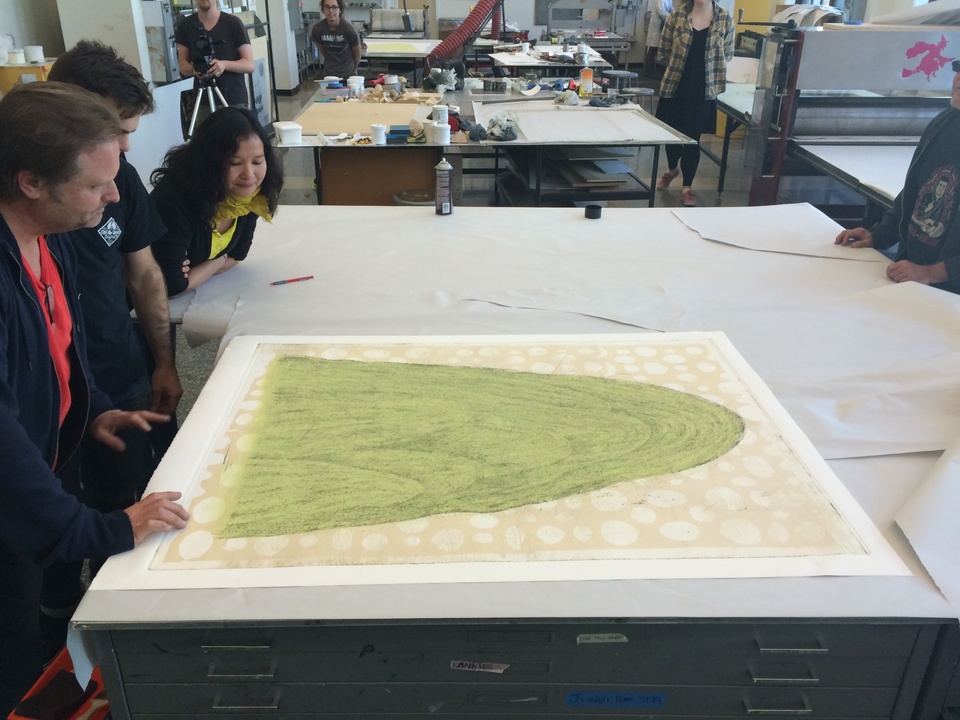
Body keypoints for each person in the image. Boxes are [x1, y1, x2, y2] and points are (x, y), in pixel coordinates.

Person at [0, 82, 190, 716]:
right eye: (96, 184)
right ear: (31, 181)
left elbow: (57, 344)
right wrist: (102, 529)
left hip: (39, 481)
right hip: (11, 515)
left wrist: (92, 405)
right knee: (15, 653)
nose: (114, 196)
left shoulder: (47, 237)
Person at [41, 40, 184, 659]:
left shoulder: (119, 180)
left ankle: (117, 639)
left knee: (122, 507)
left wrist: (163, 361)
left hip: (117, 373)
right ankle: (51, 635)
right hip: (51, 391)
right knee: (46, 526)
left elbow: (144, 273)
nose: (126, 148)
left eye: (127, 133)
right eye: (115, 130)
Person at [835, 61, 960, 293]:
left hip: (949, 299)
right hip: (913, 279)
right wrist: (879, 235)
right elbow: (917, 190)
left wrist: (931, 273)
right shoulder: (945, 123)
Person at [150, 107, 283, 297]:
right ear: (209, 162)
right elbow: (172, 285)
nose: (249, 175)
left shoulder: (248, 197)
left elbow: (238, 254)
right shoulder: (174, 203)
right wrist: (219, 262)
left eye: (257, 161)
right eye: (235, 163)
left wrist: (204, 268)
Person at [654, 0, 734, 207]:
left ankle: (687, 188)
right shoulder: (677, 16)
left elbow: (728, 54)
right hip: (675, 87)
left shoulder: (725, 18)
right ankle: (672, 170)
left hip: (703, 91)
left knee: (692, 140)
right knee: (671, 137)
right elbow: (663, 52)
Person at [176, 0, 254, 113]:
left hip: (233, 99)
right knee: (204, 131)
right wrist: (194, 70)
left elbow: (249, 65)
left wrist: (224, 65)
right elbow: (182, 64)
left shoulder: (233, 24)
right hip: (202, 101)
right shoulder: (186, 25)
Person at [310, 0, 362, 79]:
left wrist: (350, 69)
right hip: (329, 75)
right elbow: (323, 51)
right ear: (323, 9)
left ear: (340, 9)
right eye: (327, 7)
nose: (330, 11)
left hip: (349, 75)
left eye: (334, 7)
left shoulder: (349, 29)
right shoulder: (318, 29)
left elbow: (357, 55)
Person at [645, 0, 674, 79]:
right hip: (657, 24)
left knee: (658, 47)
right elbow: (661, 11)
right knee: (653, 47)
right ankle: (648, 71)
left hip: (663, 23)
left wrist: (675, 15)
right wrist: (672, 17)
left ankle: (655, 70)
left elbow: (671, 9)